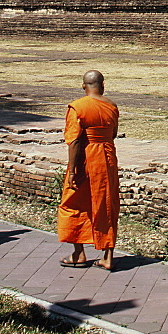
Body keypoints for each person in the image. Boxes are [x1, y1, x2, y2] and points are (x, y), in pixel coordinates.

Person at [56, 70, 119, 271]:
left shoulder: (78, 107)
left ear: (84, 86)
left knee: (73, 203)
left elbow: (74, 141)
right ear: (103, 85)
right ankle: (108, 256)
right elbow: (113, 134)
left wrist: (73, 170)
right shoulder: (111, 106)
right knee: (107, 204)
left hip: (85, 159)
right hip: (107, 159)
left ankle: (78, 253)